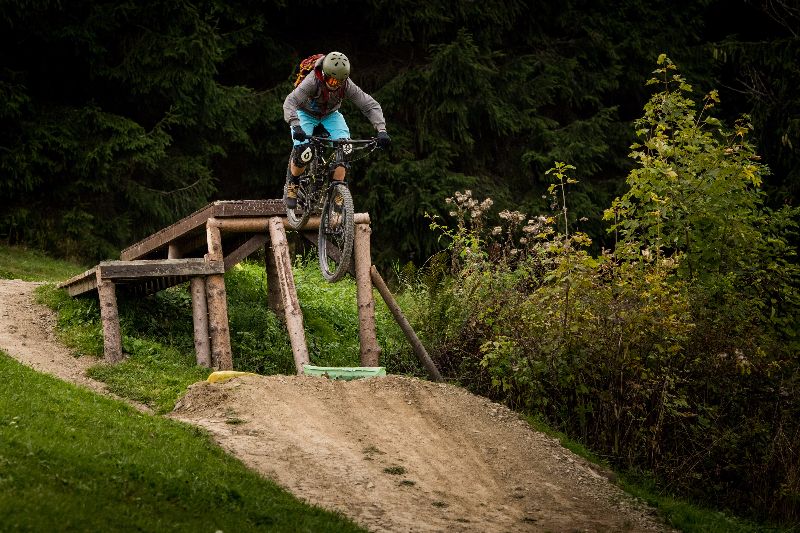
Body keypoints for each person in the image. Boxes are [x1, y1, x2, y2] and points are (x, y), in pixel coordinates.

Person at [282, 51, 391, 208]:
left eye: (339, 81)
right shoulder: (312, 81)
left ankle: (338, 190)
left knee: (346, 148)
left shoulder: (346, 84)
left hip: (330, 115)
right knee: (304, 151)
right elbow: (290, 101)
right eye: (332, 80)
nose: (334, 84)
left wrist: (381, 130)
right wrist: (295, 124)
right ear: (324, 74)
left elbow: (369, 105)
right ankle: (293, 183)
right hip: (305, 114)